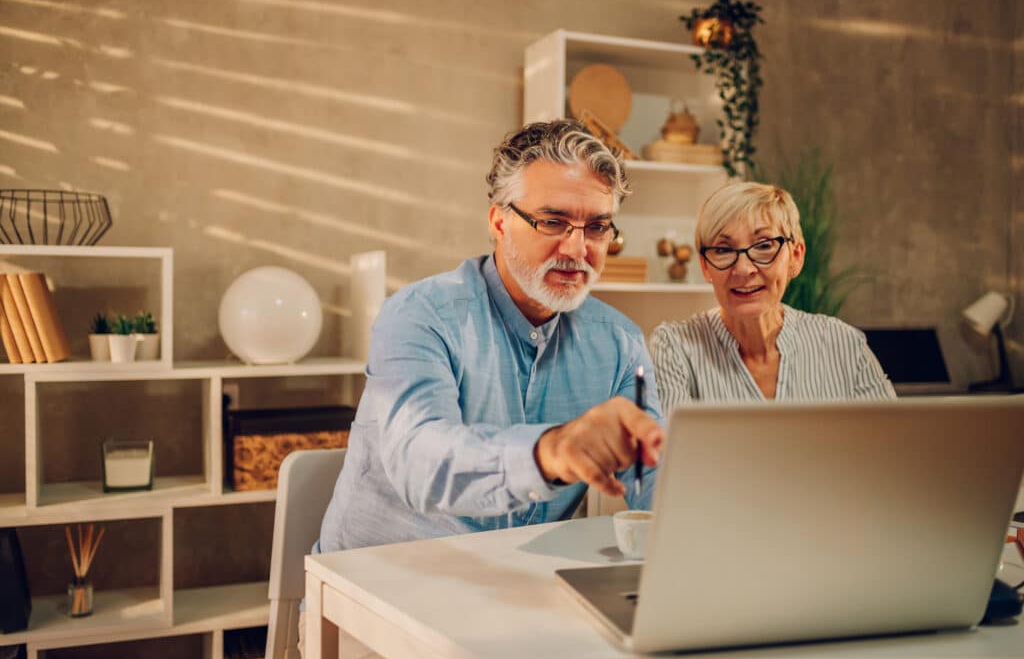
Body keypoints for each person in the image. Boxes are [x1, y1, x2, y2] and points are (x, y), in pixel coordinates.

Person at [317, 119, 665, 555]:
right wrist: (549, 452)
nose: (578, 251)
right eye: (553, 221)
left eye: (597, 227)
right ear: (499, 222)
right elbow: (421, 463)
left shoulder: (618, 342)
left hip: (514, 586)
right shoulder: (420, 315)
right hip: (373, 586)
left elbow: (655, 476)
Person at [650, 181, 896, 409]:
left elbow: (892, 445)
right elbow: (668, 452)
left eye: (764, 246)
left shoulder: (843, 343)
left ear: (796, 257)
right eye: (724, 250)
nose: (744, 269)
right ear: (705, 266)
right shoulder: (675, 347)